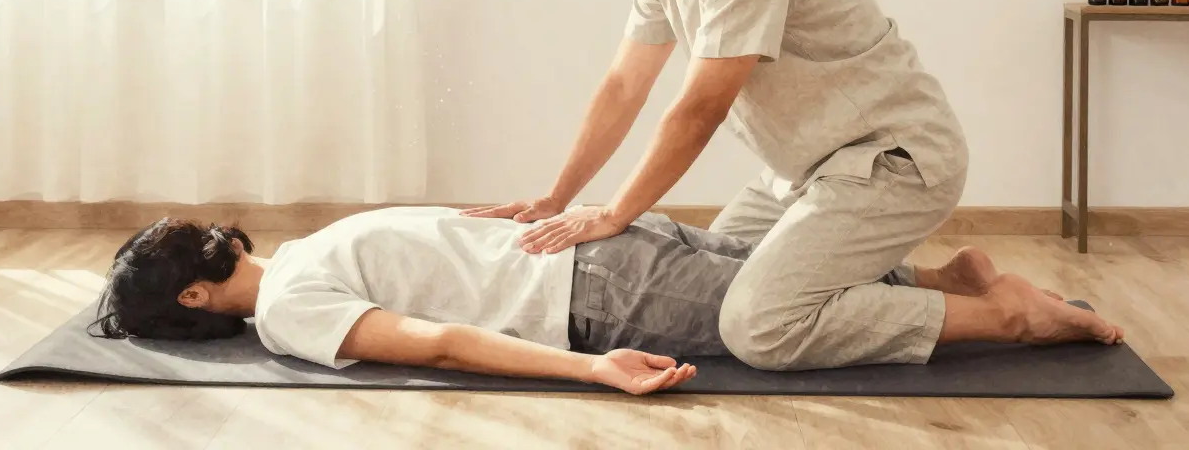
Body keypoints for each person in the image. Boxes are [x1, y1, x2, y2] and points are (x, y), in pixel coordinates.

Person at [461, 0, 1124, 371]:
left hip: (893, 160)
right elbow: (623, 85)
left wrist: (612, 213)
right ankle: (948, 283)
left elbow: (698, 110)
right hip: (807, 169)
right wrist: (555, 198)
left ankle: (1006, 315)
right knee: (710, 288)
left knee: (756, 324)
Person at [91, 206, 747, 395]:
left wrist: (594, 368)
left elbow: (440, 346)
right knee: (799, 264)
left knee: (795, 317)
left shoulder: (285, 307)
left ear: (192, 296)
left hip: (607, 292)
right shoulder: (320, 240)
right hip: (616, 237)